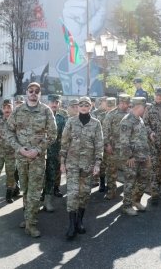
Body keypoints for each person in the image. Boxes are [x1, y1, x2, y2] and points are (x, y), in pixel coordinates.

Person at [6, 82, 57, 238]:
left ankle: (31, 224)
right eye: (31, 90)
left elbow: (52, 135)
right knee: (25, 190)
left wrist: (38, 150)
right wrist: (19, 148)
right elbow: (8, 132)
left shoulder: (46, 111)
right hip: (21, 157)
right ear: (26, 93)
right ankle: (28, 217)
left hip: (37, 158)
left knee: (34, 191)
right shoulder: (18, 111)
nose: (33, 93)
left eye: (37, 91)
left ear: (40, 94)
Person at [60, 96, 103, 239]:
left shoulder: (96, 124)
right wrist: (62, 162)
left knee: (84, 195)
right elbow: (64, 142)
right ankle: (71, 225)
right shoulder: (71, 122)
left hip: (88, 166)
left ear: (91, 106)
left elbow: (99, 145)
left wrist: (97, 163)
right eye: (81, 105)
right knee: (72, 194)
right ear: (78, 107)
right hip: (72, 164)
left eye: (87, 105)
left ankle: (79, 221)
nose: (84, 107)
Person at [118, 97, 151, 215]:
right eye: (144, 107)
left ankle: (136, 200)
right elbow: (124, 141)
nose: (146, 109)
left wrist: (147, 155)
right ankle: (126, 206)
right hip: (132, 158)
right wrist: (129, 156)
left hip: (142, 156)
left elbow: (142, 138)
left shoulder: (139, 119)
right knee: (130, 181)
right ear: (138, 107)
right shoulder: (127, 120)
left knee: (143, 180)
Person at [101, 94, 129, 200]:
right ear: (118, 102)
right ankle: (111, 191)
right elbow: (105, 130)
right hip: (113, 148)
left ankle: (128, 194)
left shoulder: (131, 114)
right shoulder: (111, 114)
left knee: (129, 172)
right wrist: (107, 145)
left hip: (126, 150)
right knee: (111, 171)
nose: (123, 105)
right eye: (122, 102)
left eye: (126, 103)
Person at [42, 94, 67, 212]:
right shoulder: (40, 116)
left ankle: (47, 201)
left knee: (52, 177)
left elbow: (64, 138)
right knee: (38, 177)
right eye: (52, 102)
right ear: (47, 103)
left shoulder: (62, 119)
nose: (54, 104)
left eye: (56, 102)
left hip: (54, 153)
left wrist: (62, 155)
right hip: (39, 154)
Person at [97, 96, 116, 192]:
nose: (110, 108)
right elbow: (98, 132)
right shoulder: (100, 116)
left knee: (112, 167)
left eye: (112, 106)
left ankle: (111, 184)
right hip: (103, 146)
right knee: (102, 166)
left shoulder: (119, 117)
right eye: (108, 106)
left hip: (114, 147)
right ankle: (102, 182)